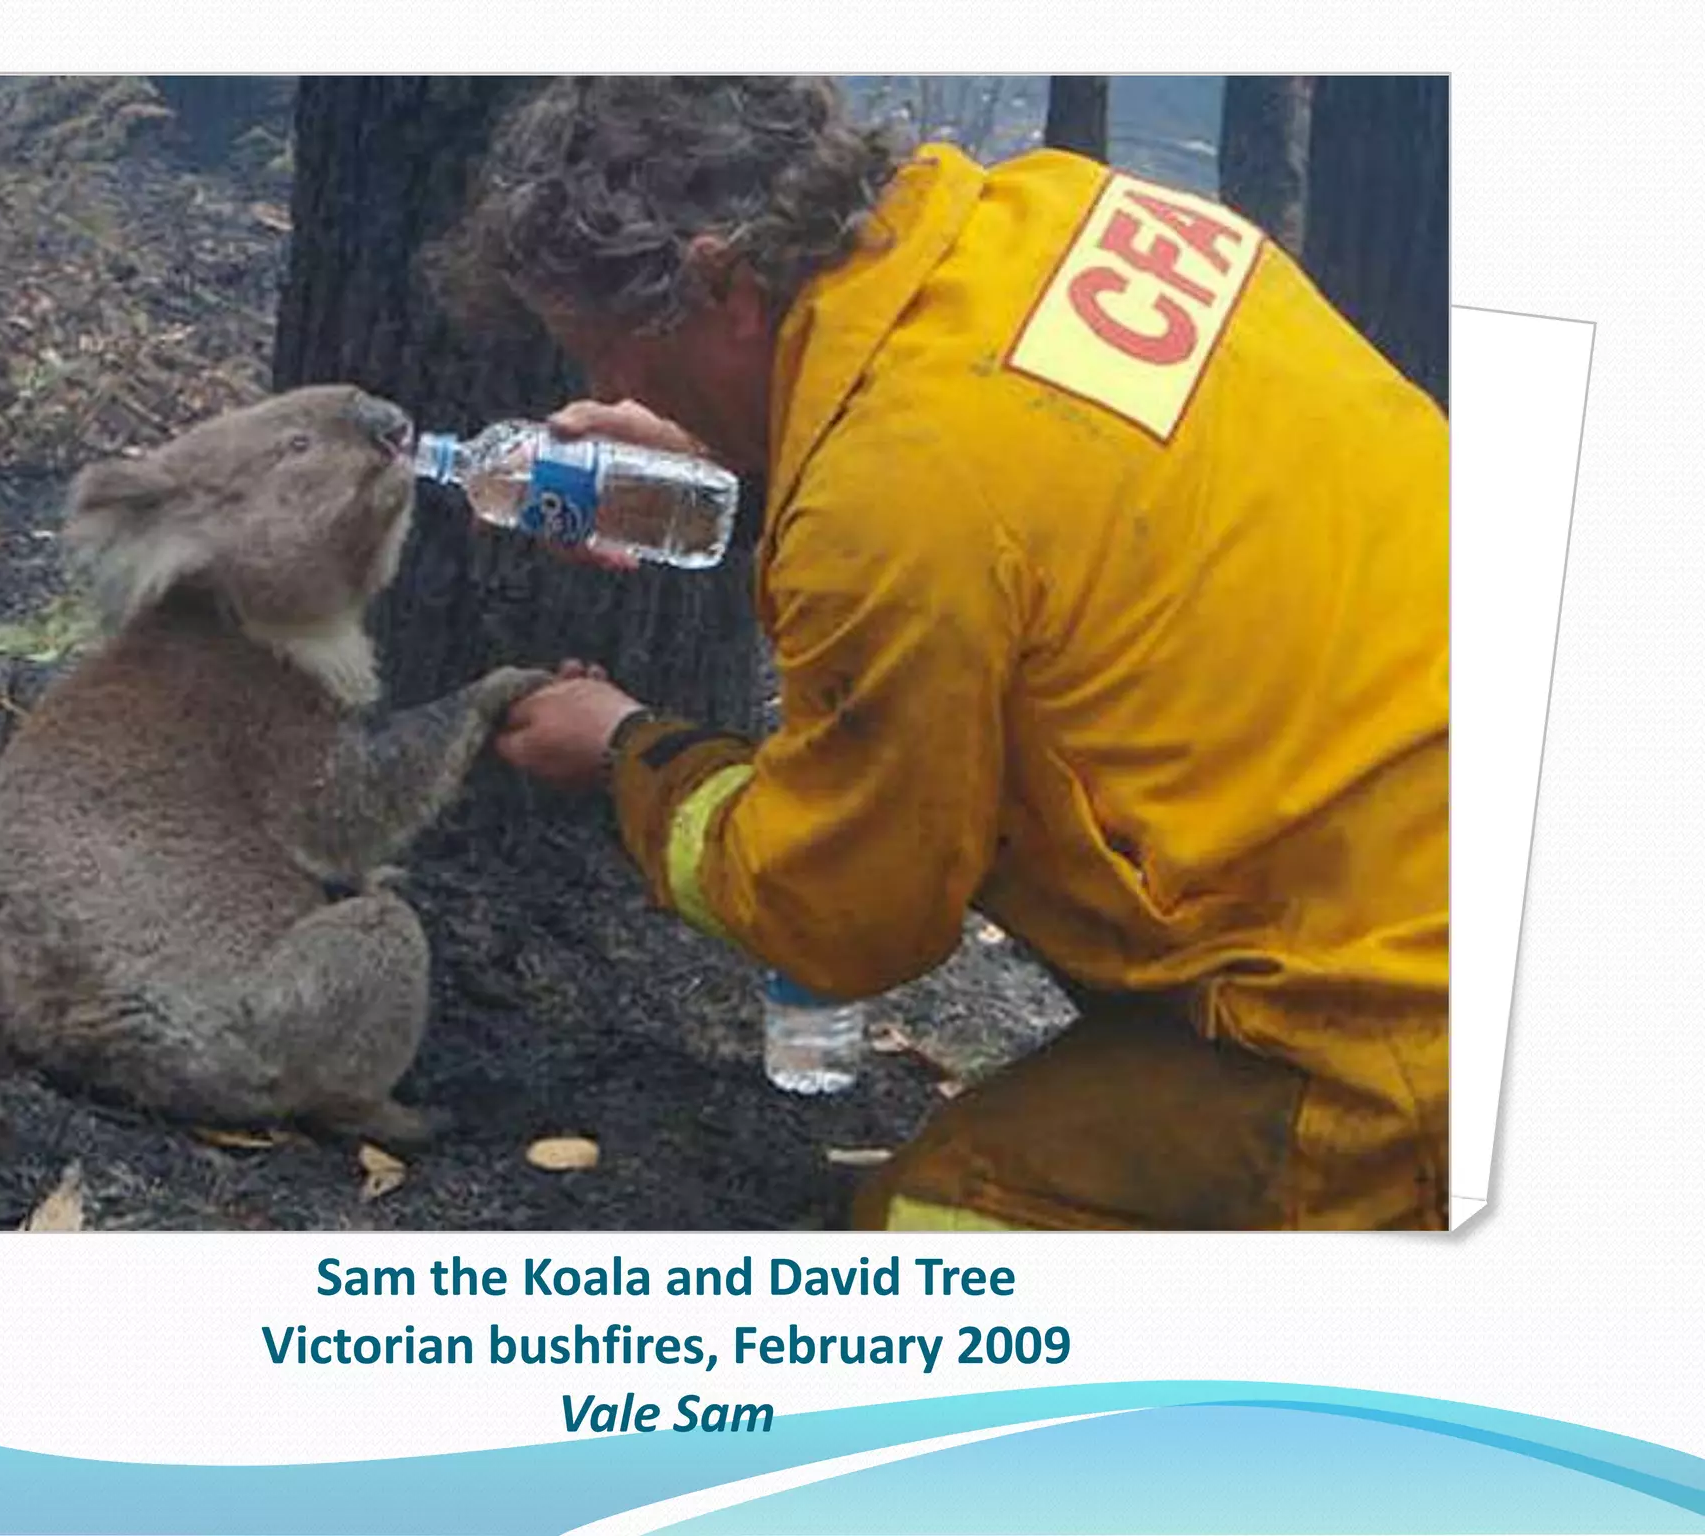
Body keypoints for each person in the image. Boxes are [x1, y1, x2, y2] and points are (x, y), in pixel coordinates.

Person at [433, 77, 1447, 1231]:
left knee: (932, 1236)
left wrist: (625, 753)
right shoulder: (1063, 213)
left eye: (607, 353)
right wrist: (735, 431)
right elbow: (1020, 473)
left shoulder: (892, 506)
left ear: (719, 283)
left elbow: (846, 914)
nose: (607, 391)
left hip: (1400, 1027)